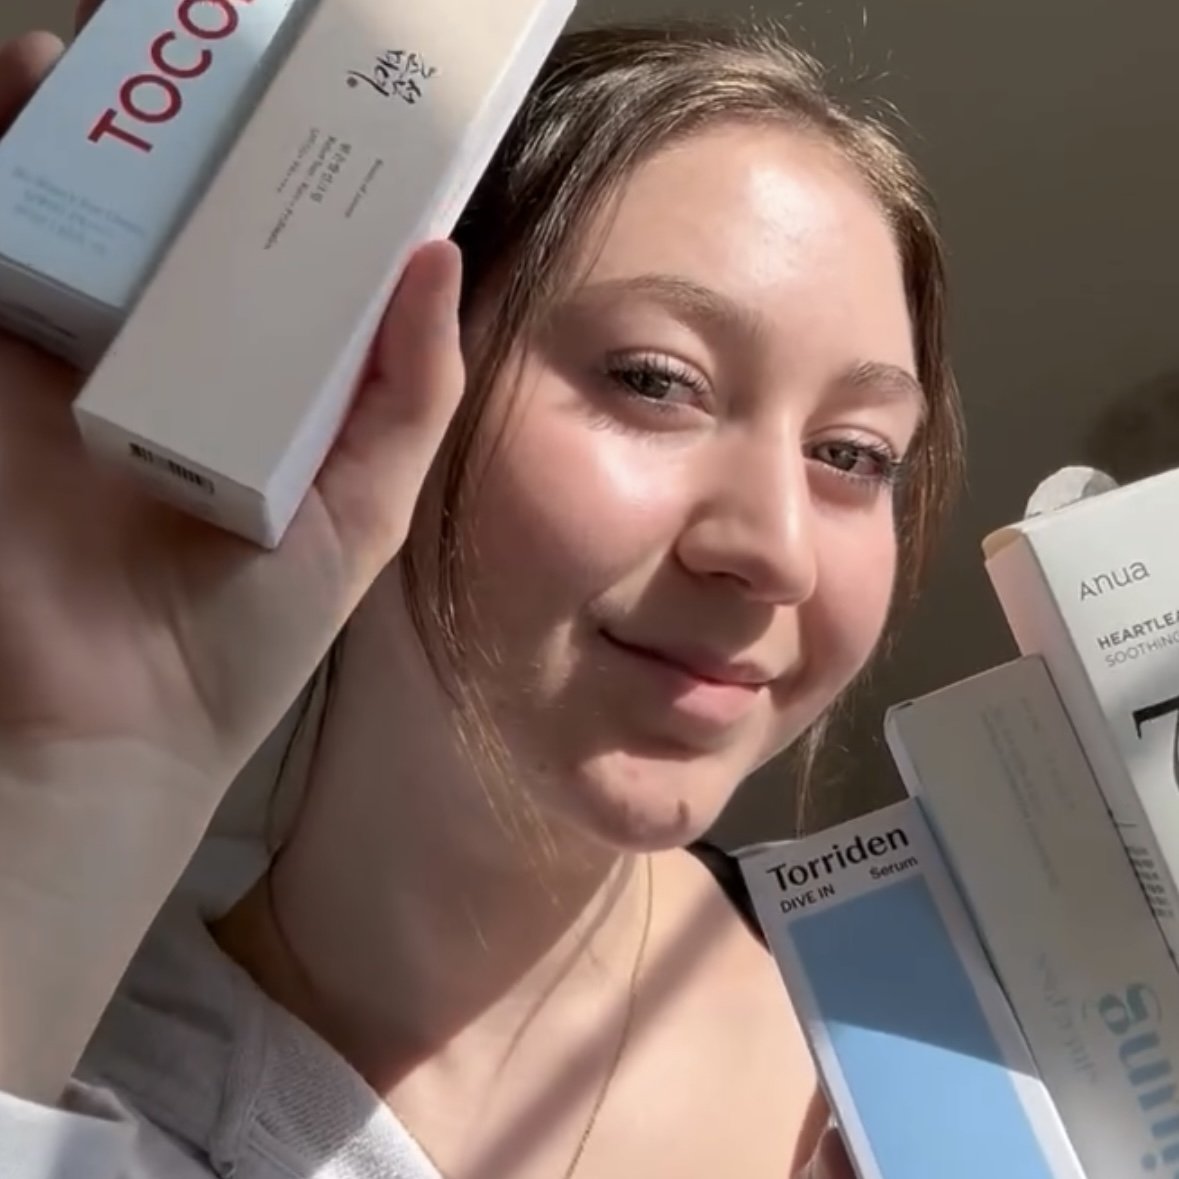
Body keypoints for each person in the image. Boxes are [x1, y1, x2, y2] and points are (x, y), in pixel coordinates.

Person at [0, 3, 963, 1177]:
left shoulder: (993, 1018)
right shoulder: (71, 1085)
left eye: (854, 454)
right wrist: (88, 767)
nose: (778, 550)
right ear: (369, 382)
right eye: (658, 381)